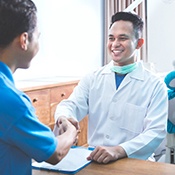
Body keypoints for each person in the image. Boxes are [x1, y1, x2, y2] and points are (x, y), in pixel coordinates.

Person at [54, 11, 168, 163]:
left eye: (123, 38)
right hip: (94, 159)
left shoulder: (154, 85)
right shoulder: (93, 78)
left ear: (139, 43)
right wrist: (64, 118)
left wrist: (119, 150)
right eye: (111, 38)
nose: (115, 44)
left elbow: (156, 132)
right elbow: (71, 105)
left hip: (136, 162)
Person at [0, 0, 79, 175]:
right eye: (38, 36)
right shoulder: (11, 100)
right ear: (24, 40)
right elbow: (55, 153)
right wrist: (71, 131)